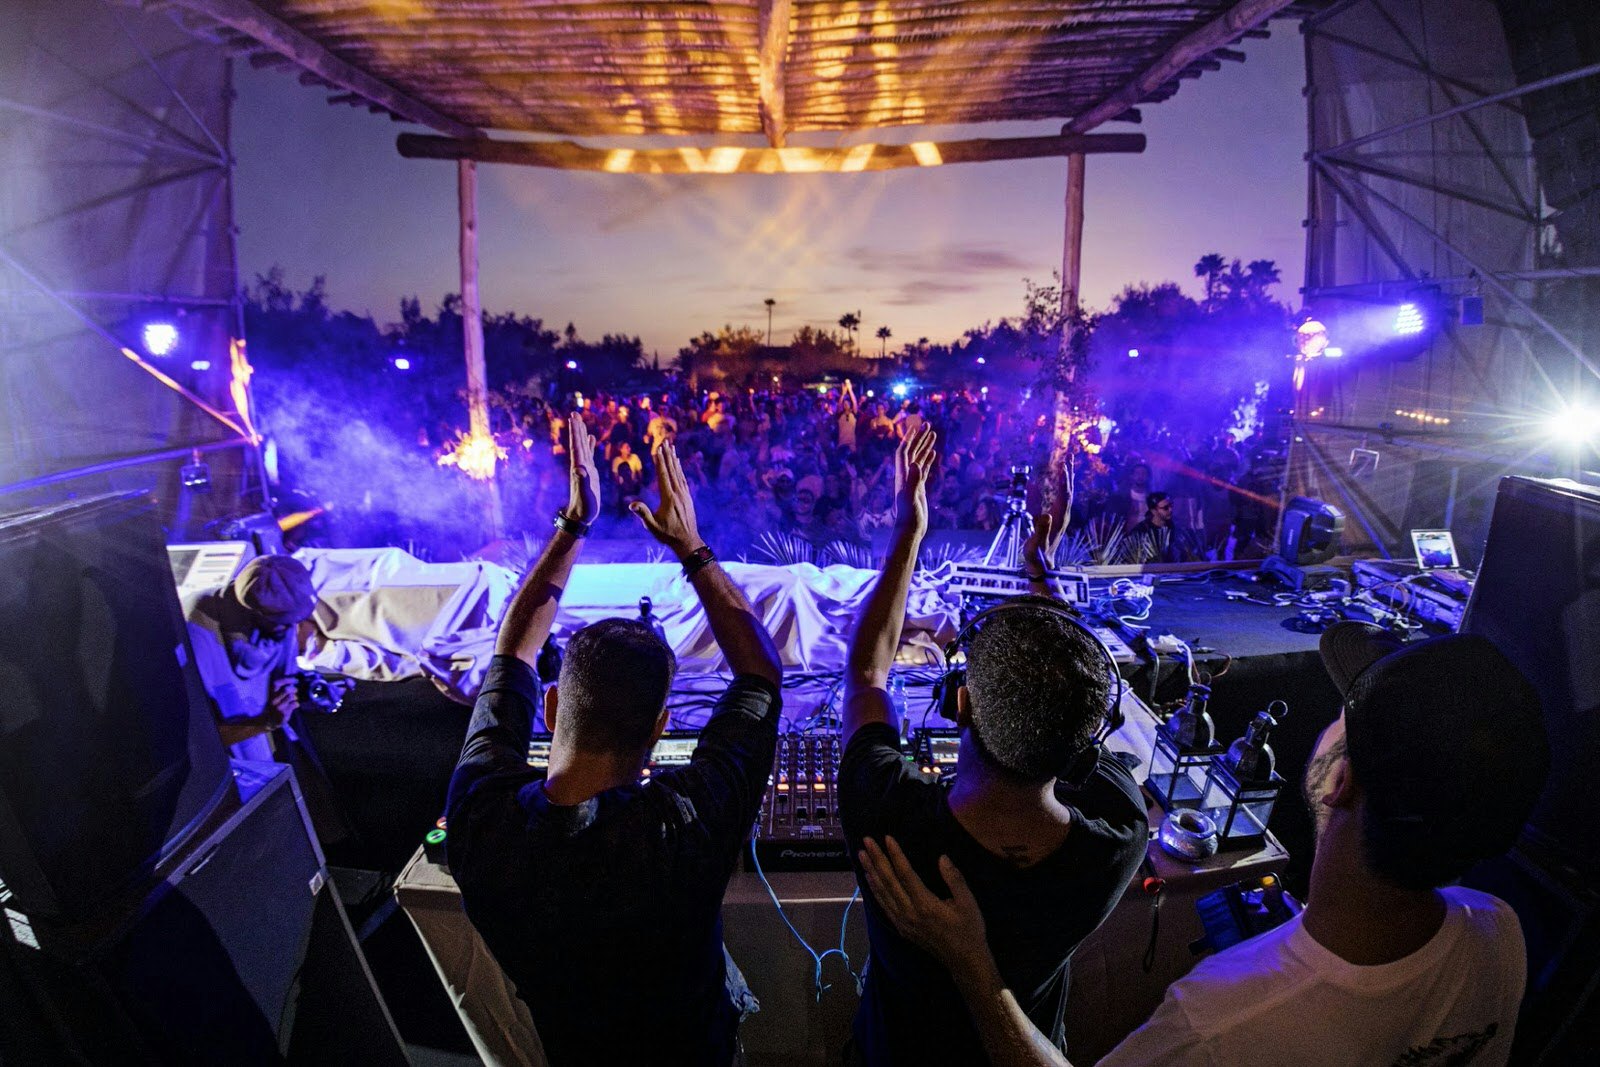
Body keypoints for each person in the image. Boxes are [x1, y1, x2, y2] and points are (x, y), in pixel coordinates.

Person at [859, 622, 1547, 1067]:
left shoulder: (1220, 1024)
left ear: (1340, 778)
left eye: (1343, 716)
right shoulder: (1502, 934)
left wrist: (971, 963)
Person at [446, 416, 784, 1067]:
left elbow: (512, 649)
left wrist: (573, 524)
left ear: (550, 708)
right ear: (659, 730)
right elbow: (761, 673)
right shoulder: (685, 828)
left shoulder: (480, 819)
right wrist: (692, 546)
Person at [837, 425, 1148, 1066]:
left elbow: (868, 673)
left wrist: (908, 532)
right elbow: (1078, 687)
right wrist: (1041, 568)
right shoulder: (1119, 835)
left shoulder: (888, 819)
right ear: (1084, 741)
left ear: (960, 701)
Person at [1126, 491, 1203, 564]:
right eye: (1165, 508)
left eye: (1171, 506)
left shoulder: (1179, 530)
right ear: (1154, 511)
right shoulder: (1140, 532)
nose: (1170, 510)